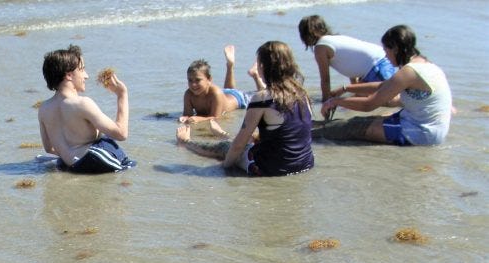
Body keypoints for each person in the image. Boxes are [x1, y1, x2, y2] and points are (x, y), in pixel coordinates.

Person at [176, 41, 314, 177]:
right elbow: (285, 134)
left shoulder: (263, 98)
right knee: (251, 139)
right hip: (305, 163)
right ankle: (222, 134)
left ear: (263, 67)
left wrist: (224, 168)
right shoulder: (302, 93)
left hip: (272, 168)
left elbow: (238, 146)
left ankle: (186, 141)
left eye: (259, 64)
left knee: (225, 147)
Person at [318, 25, 452, 146]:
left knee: (350, 128)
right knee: (358, 121)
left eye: (386, 50)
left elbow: (368, 105)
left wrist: (335, 101)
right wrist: (345, 89)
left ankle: (307, 136)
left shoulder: (409, 72)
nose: (386, 56)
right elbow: (384, 85)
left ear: (395, 49)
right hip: (429, 127)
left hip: (421, 132)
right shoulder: (423, 63)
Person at [38, 45, 131, 174]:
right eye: (82, 70)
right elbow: (121, 134)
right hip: (95, 159)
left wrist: (70, 151)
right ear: (69, 75)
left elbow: (49, 148)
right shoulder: (82, 103)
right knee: (122, 158)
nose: (86, 76)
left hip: (70, 165)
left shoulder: (44, 109)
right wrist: (122, 95)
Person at [298, 14, 397, 112]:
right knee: (363, 98)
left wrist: (325, 102)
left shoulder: (320, 47)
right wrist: (355, 88)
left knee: (389, 99)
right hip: (380, 60)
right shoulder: (336, 38)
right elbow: (351, 62)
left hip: (377, 66)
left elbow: (325, 80)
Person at [180, 45, 267, 137]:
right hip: (225, 94)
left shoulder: (215, 93)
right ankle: (230, 66)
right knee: (229, 90)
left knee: (263, 95)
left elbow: (216, 117)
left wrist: (199, 119)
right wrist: (184, 118)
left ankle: (255, 75)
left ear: (209, 79)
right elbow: (187, 114)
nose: (193, 84)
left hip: (240, 98)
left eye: (198, 80)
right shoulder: (188, 94)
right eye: (190, 80)